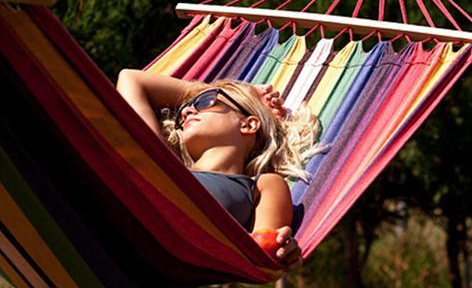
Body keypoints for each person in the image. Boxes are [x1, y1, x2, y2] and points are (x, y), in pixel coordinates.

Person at [116, 69, 322, 270]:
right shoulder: (162, 161)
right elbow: (131, 79)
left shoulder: (264, 185)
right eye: (184, 110)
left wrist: (282, 252)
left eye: (204, 102)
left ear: (249, 125)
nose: (187, 111)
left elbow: (263, 255)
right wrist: (242, 91)